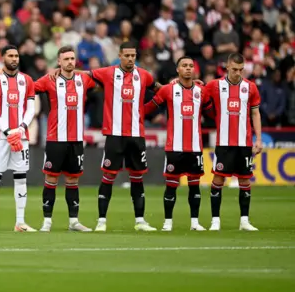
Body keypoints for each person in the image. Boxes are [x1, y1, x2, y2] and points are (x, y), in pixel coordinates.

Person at [87, 41, 160, 232]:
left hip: (136, 135)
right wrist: (60, 72)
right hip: (115, 134)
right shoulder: (108, 73)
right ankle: (101, 221)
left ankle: (140, 221)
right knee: (109, 175)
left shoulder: (143, 75)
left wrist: (180, 84)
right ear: (119, 56)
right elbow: (86, 74)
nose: (130, 59)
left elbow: (159, 88)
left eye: (133, 56)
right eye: (126, 55)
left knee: (137, 177)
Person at [143, 57, 213, 231]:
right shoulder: (168, 90)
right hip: (174, 147)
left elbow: (213, 112)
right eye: (184, 66)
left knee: (194, 186)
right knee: (171, 186)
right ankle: (168, 222)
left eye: (191, 66)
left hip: (195, 147)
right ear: (178, 69)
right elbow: (149, 108)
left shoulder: (201, 91)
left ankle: (195, 222)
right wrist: (133, 114)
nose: (188, 69)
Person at [34, 46, 94, 232]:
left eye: (72, 59)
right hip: (55, 139)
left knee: (72, 180)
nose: (70, 62)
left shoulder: (83, 79)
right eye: (66, 59)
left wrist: (79, 70)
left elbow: (103, 76)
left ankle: (74, 222)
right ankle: (47, 221)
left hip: (76, 140)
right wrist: (0, 72)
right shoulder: (49, 80)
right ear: (58, 62)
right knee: (51, 179)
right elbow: (27, 87)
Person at [205, 53, 262, 231]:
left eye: (241, 69)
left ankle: (244, 221)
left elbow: (255, 113)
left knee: (244, 182)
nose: (238, 73)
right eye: (235, 69)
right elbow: (199, 96)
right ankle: (215, 220)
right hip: (223, 143)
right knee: (218, 179)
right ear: (227, 67)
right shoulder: (215, 85)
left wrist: (258, 139)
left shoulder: (250, 87)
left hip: (244, 143)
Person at [0, 45, 36, 232]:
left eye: (16, 56)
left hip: (21, 137)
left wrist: (21, 129)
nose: (14, 59)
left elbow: (31, 108)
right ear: (2, 57)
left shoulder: (27, 80)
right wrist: (7, 131)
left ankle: (20, 222)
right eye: (10, 55)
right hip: (0, 137)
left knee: (21, 177)